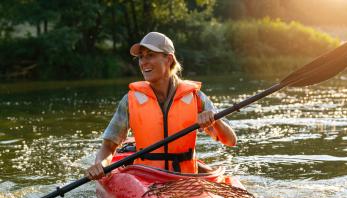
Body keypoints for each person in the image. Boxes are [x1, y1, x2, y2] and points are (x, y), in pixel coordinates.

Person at [85, 32, 237, 180]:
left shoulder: (196, 97)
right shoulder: (130, 100)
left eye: (150, 55)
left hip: (185, 179)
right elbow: (109, 146)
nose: (143, 62)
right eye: (141, 57)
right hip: (145, 180)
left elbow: (231, 141)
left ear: (169, 59)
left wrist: (215, 120)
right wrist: (100, 165)